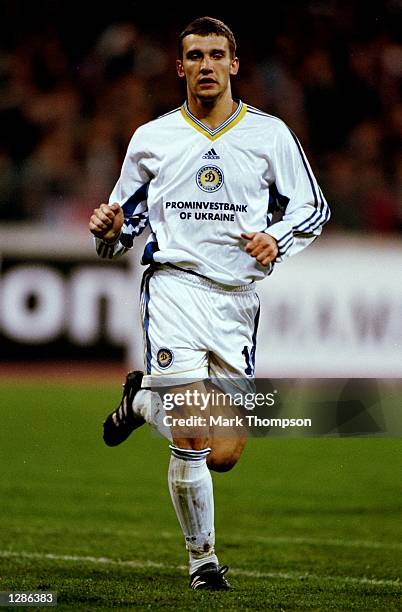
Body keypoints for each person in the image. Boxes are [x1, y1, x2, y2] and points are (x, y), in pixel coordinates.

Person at [89, 16, 330, 591]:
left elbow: (311, 208)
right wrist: (106, 231)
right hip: (175, 287)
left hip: (237, 302)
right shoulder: (151, 139)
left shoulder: (270, 135)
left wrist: (279, 239)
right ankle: (203, 564)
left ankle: (141, 400)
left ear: (234, 64)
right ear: (180, 68)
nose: (205, 65)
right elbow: (123, 226)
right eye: (194, 56)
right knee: (194, 435)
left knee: (224, 453)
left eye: (215, 55)